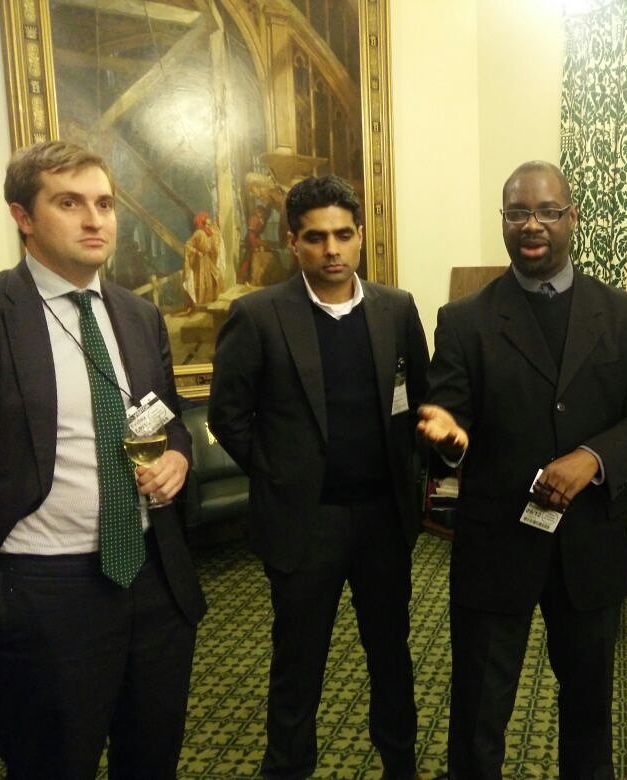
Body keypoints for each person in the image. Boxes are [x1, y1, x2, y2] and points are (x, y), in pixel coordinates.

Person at [418, 160, 627, 778]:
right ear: (503, 222)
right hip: (495, 542)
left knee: (588, 705)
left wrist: (593, 458)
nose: (533, 225)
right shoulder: (464, 320)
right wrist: (449, 440)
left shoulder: (626, 315)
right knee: (479, 708)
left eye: (547, 212)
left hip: (588, 544)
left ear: (572, 218)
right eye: (518, 213)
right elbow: (443, 425)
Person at [208, 174, 429, 780]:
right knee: (298, 662)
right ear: (293, 242)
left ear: (360, 237)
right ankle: (287, 769)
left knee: (391, 655)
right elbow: (229, 416)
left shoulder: (396, 309)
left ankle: (400, 765)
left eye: (343, 235)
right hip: (305, 524)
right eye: (315, 238)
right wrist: (281, 474)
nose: (331, 249)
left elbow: (419, 403)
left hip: (384, 520)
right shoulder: (257, 315)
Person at [0, 140, 206, 777]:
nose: (95, 220)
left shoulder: (140, 316)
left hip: (151, 578)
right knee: (55, 761)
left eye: (105, 203)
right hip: (42, 589)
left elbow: (166, 418)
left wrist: (177, 456)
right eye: (69, 203)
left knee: (152, 759)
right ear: (23, 217)